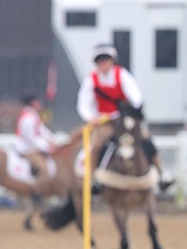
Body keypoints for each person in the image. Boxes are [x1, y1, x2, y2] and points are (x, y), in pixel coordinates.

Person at [77, 44, 171, 189]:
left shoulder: (122, 75)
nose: (103, 63)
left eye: (106, 59)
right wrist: (91, 118)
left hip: (124, 119)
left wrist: (128, 112)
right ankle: (94, 179)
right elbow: (83, 104)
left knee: (146, 139)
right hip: (105, 122)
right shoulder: (91, 80)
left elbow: (136, 98)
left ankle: (161, 174)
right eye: (100, 61)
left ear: (112, 61)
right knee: (96, 145)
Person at [14, 90, 58, 181]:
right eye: (37, 101)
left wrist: (52, 139)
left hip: (32, 148)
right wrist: (47, 146)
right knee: (45, 170)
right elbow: (32, 140)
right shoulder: (27, 119)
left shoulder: (33, 116)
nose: (39, 103)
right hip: (27, 150)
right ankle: (36, 192)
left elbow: (43, 131)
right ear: (32, 103)